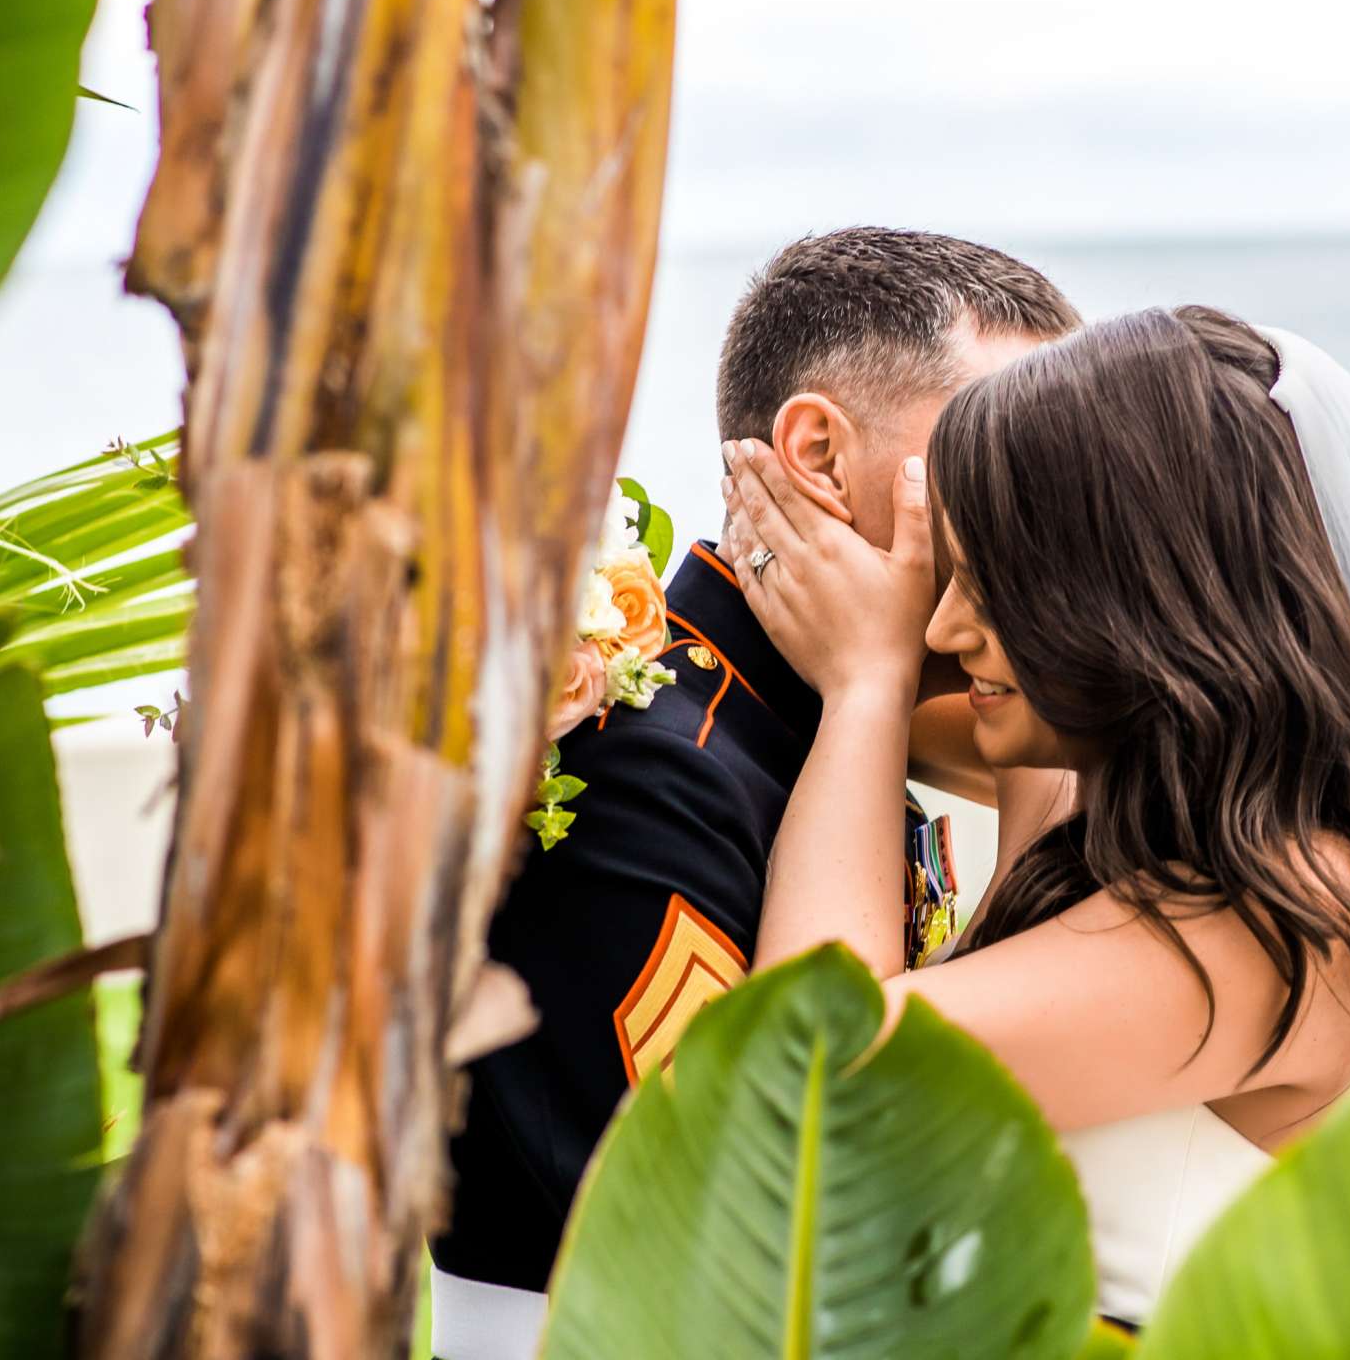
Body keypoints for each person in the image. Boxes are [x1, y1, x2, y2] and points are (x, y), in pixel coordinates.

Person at [719, 305, 1350, 1328]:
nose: (942, 624)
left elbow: (797, 1102)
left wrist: (866, 684)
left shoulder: (1280, 919)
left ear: (1118, 598)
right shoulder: (1171, 809)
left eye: (993, 581)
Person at [429, 229, 1081, 1357]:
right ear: (818, 454)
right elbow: (756, 1230)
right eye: (1002, 449)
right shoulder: (639, 764)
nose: (1054, 511)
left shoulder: (810, 720)